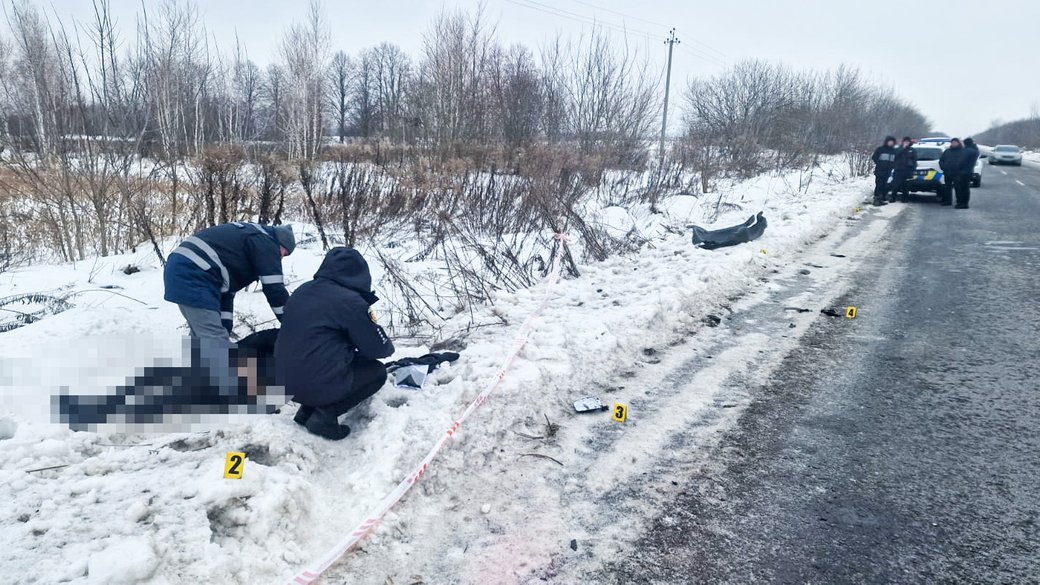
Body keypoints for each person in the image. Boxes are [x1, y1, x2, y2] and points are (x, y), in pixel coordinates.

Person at [275, 247, 394, 440]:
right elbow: (377, 348)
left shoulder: (303, 290)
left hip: (284, 382)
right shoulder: (350, 301)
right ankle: (324, 416)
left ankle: (306, 412)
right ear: (360, 275)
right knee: (376, 372)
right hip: (314, 382)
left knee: (322, 356)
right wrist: (385, 345)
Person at [163, 222, 295, 394]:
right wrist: (292, 324)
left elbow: (225, 293)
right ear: (280, 243)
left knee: (203, 337)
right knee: (214, 339)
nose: (281, 258)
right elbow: (275, 290)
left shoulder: (245, 244)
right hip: (194, 274)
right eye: (284, 253)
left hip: (185, 270)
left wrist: (225, 325)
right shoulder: (266, 242)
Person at [939, 138, 970, 208]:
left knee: (958, 188)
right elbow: (941, 160)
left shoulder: (963, 151)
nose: (953, 144)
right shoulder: (947, 151)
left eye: (955, 142)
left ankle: (959, 202)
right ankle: (948, 201)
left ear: (958, 143)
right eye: (952, 142)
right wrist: (944, 167)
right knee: (947, 188)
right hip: (947, 172)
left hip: (958, 173)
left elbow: (966, 162)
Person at [871, 136, 898, 206]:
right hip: (880, 171)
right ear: (886, 142)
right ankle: (876, 199)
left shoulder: (894, 151)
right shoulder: (880, 149)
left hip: (888, 171)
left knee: (885, 186)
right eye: (889, 142)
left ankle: (882, 199)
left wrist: (893, 166)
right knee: (879, 185)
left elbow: (896, 161)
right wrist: (880, 164)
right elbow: (874, 158)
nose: (890, 143)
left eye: (892, 142)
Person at [891, 136, 917, 203]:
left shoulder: (912, 150)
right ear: (902, 142)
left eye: (908, 142)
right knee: (895, 185)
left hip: (908, 170)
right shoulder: (898, 149)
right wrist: (903, 148)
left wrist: (913, 170)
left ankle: (905, 199)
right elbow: (895, 156)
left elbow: (914, 161)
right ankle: (893, 197)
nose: (906, 143)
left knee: (906, 186)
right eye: (905, 142)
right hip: (898, 170)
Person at [959, 138, 981, 208]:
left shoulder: (968, 151)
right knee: (966, 188)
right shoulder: (975, 150)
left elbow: (962, 161)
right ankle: (965, 203)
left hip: (963, 171)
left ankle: (963, 203)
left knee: (963, 188)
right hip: (970, 170)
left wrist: (957, 166)